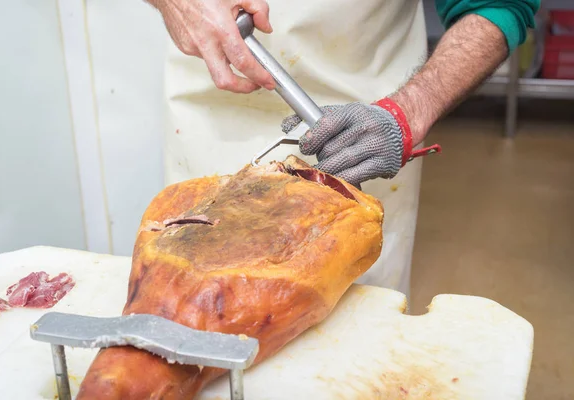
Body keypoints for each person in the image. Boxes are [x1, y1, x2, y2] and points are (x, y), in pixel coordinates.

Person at [147, 0, 539, 294]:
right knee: (201, 314)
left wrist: (408, 111)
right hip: (210, 112)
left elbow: (500, 5)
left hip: (359, 135)